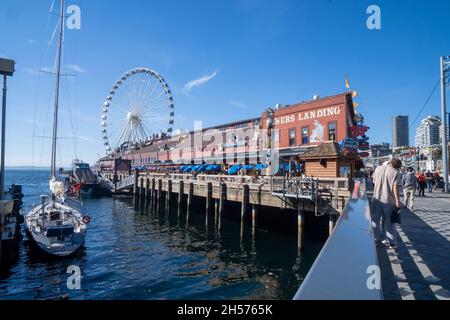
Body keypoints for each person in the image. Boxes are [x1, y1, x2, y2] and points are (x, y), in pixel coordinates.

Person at [371, 158, 403, 248]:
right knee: (390, 222)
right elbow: (395, 188)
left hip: (376, 198)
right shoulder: (395, 172)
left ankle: (376, 238)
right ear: (397, 166)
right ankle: (392, 242)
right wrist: (397, 201)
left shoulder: (378, 168)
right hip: (388, 200)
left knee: (375, 220)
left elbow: (373, 181)